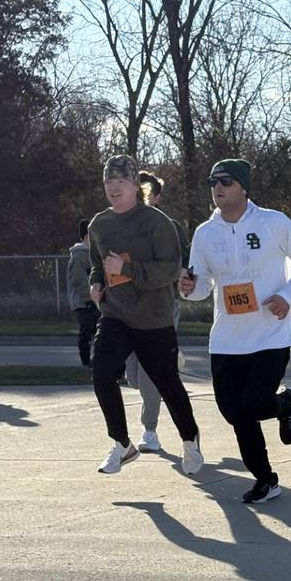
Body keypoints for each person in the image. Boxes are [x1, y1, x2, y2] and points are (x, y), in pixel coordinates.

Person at [182, 158, 291, 505]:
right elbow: (202, 287)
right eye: (213, 181)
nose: (218, 187)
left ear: (243, 186)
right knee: (234, 412)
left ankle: (285, 403)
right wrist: (188, 287)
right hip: (227, 338)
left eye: (225, 181)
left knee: (254, 403)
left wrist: (287, 296)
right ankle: (266, 481)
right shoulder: (205, 233)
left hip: (271, 333)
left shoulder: (273, 222)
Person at [86, 154, 203, 475]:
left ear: (135, 186)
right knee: (101, 371)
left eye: (120, 183)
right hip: (115, 315)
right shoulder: (100, 223)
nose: (113, 189)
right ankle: (122, 444)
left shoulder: (156, 222)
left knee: (168, 384)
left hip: (153, 318)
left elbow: (169, 270)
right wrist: (96, 282)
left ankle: (190, 440)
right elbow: (97, 264)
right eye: (108, 183)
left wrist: (126, 268)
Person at [126, 170, 187, 452]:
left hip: (161, 305)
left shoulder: (169, 226)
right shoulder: (117, 223)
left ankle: (149, 431)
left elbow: (180, 263)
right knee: (133, 376)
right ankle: (172, 363)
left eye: (148, 192)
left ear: (158, 196)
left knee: (150, 369)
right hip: (125, 307)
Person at [66, 218, 99, 368]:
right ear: (87, 235)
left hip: (96, 300)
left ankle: (97, 360)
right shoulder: (79, 255)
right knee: (87, 330)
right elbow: (78, 280)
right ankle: (86, 362)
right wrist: (89, 299)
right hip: (83, 302)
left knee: (99, 330)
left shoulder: (94, 254)